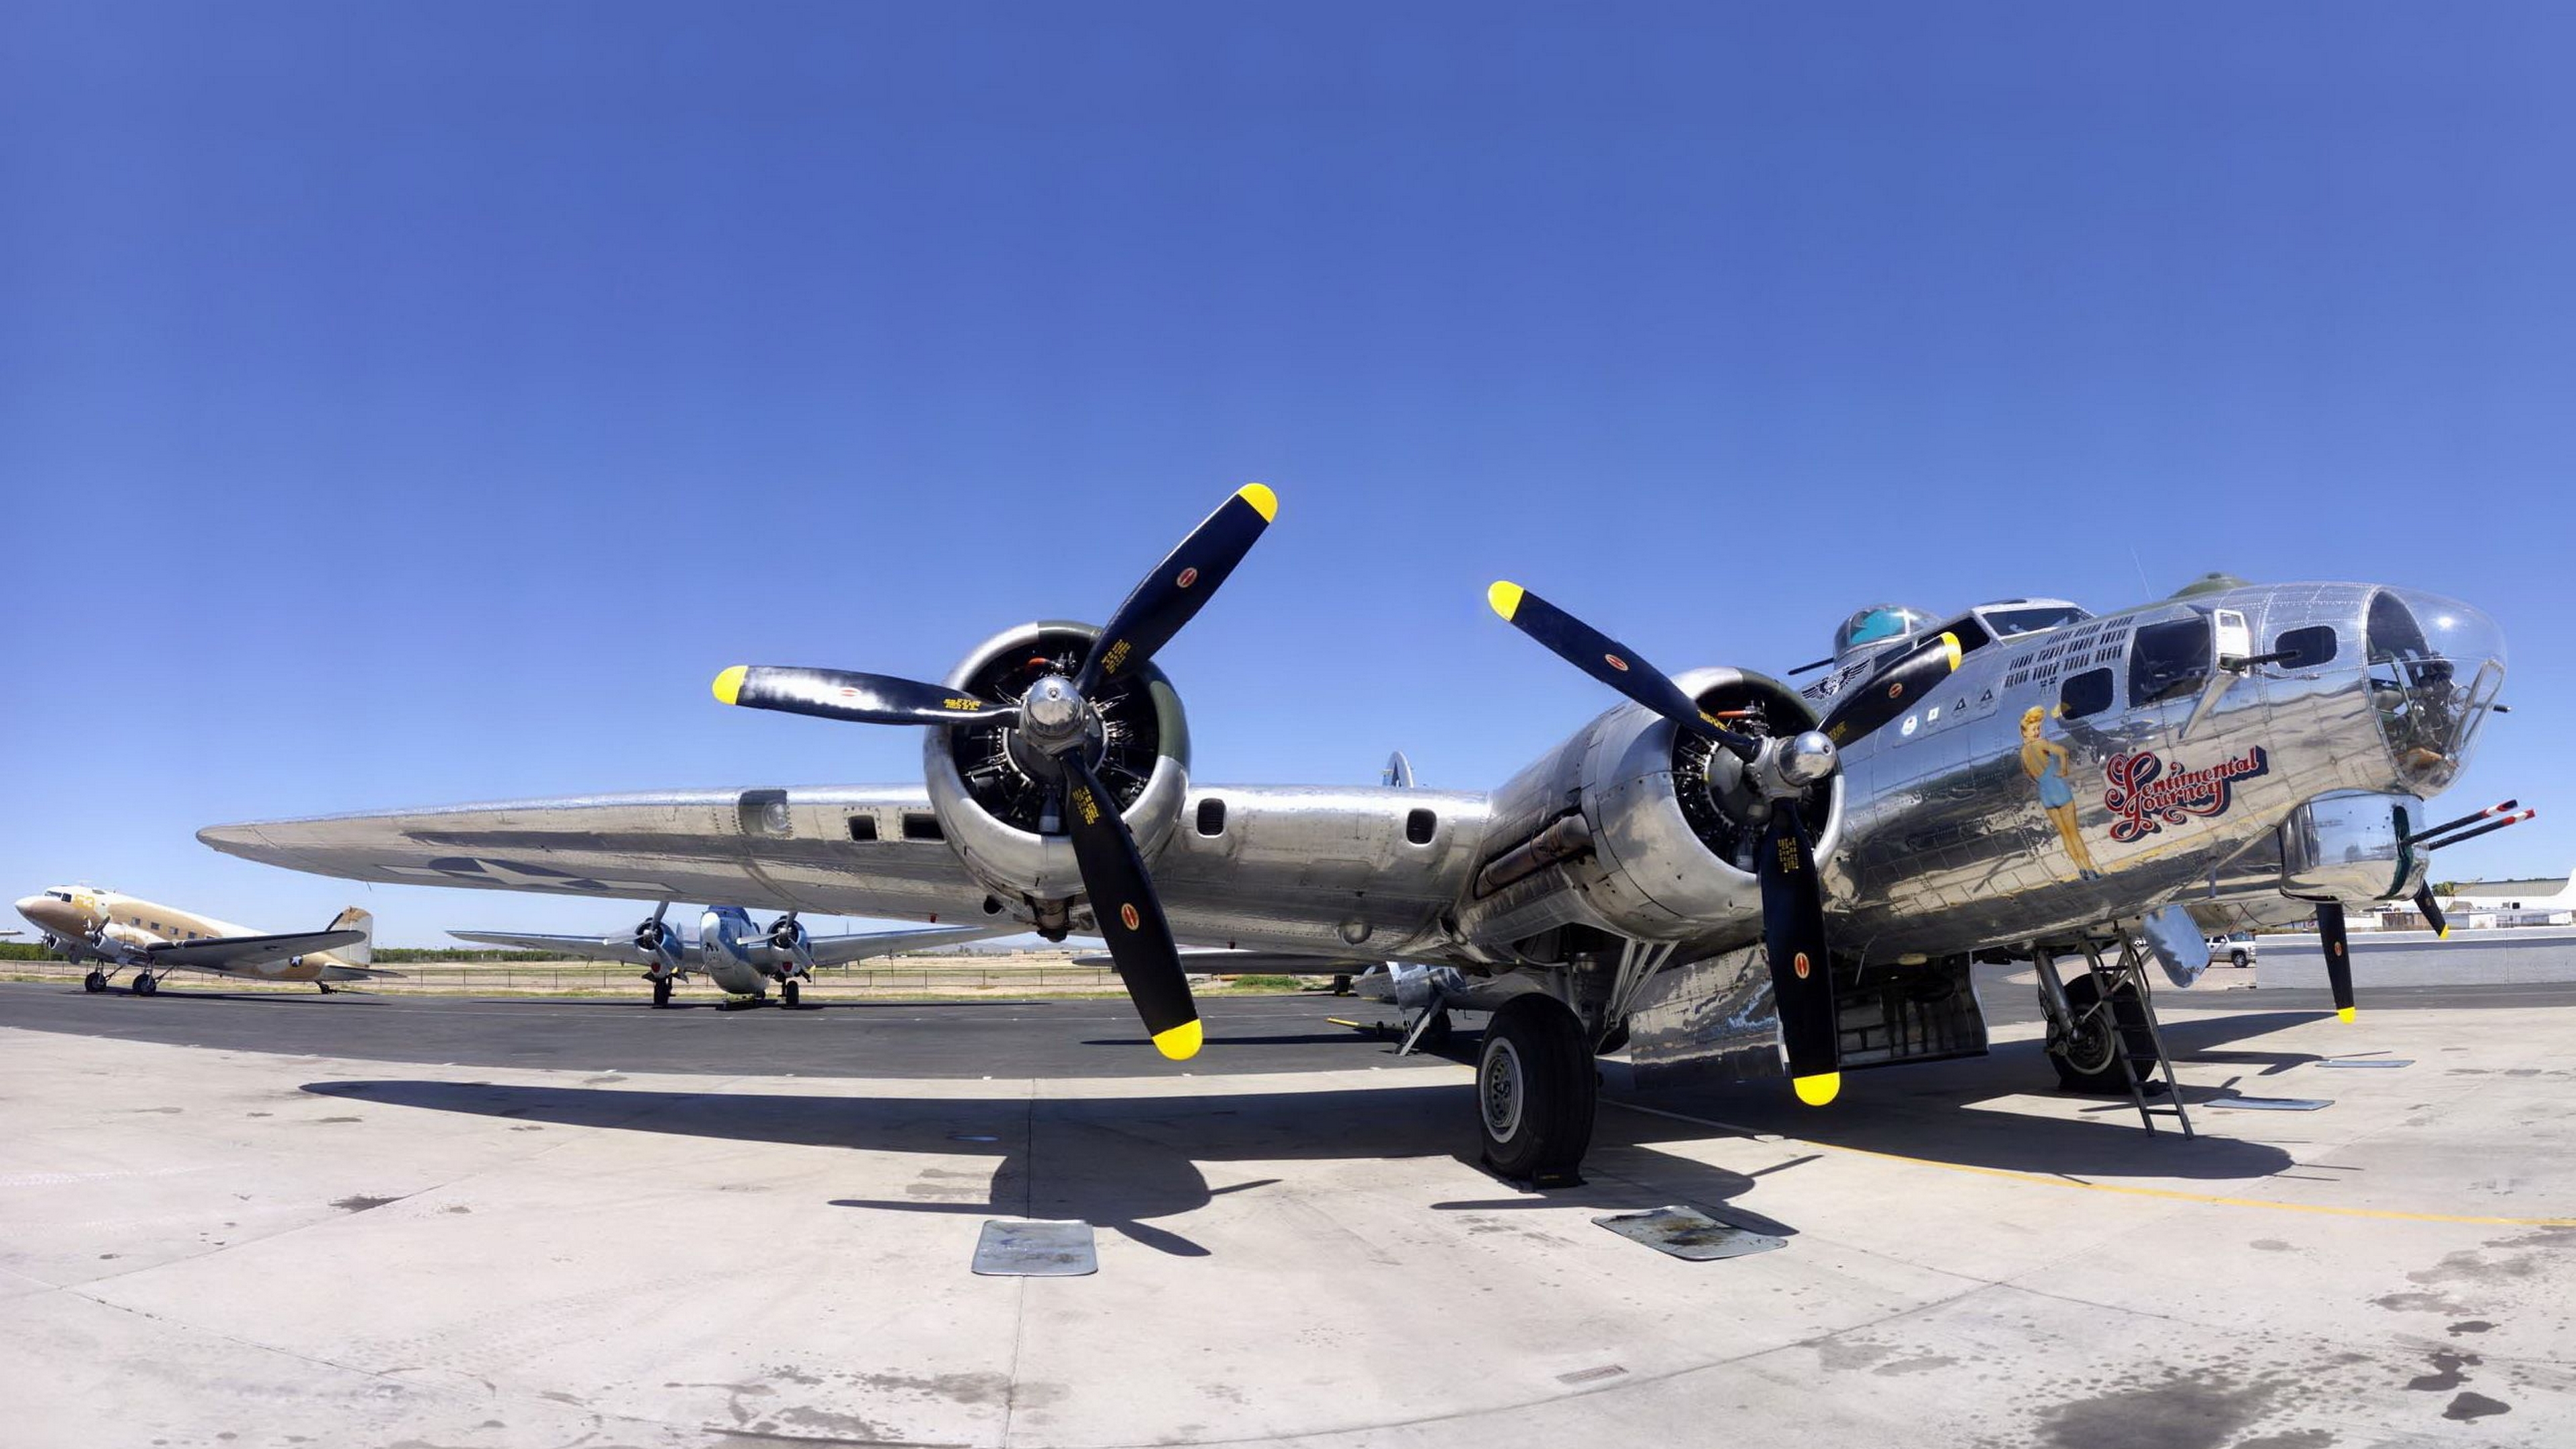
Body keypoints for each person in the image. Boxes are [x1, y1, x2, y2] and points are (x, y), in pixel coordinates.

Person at [2020, 706, 2101, 881]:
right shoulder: (2041, 744)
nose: (2037, 732)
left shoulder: (2024, 752)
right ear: (2025, 732)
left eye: (2038, 729)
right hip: (2060, 790)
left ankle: (2081, 870)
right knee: (2074, 834)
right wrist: (2063, 770)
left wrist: (2041, 781)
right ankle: (2090, 869)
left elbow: (2028, 773)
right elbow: (2063, 752)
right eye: (2034, 729)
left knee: (2065, 835)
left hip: (2046, 795)